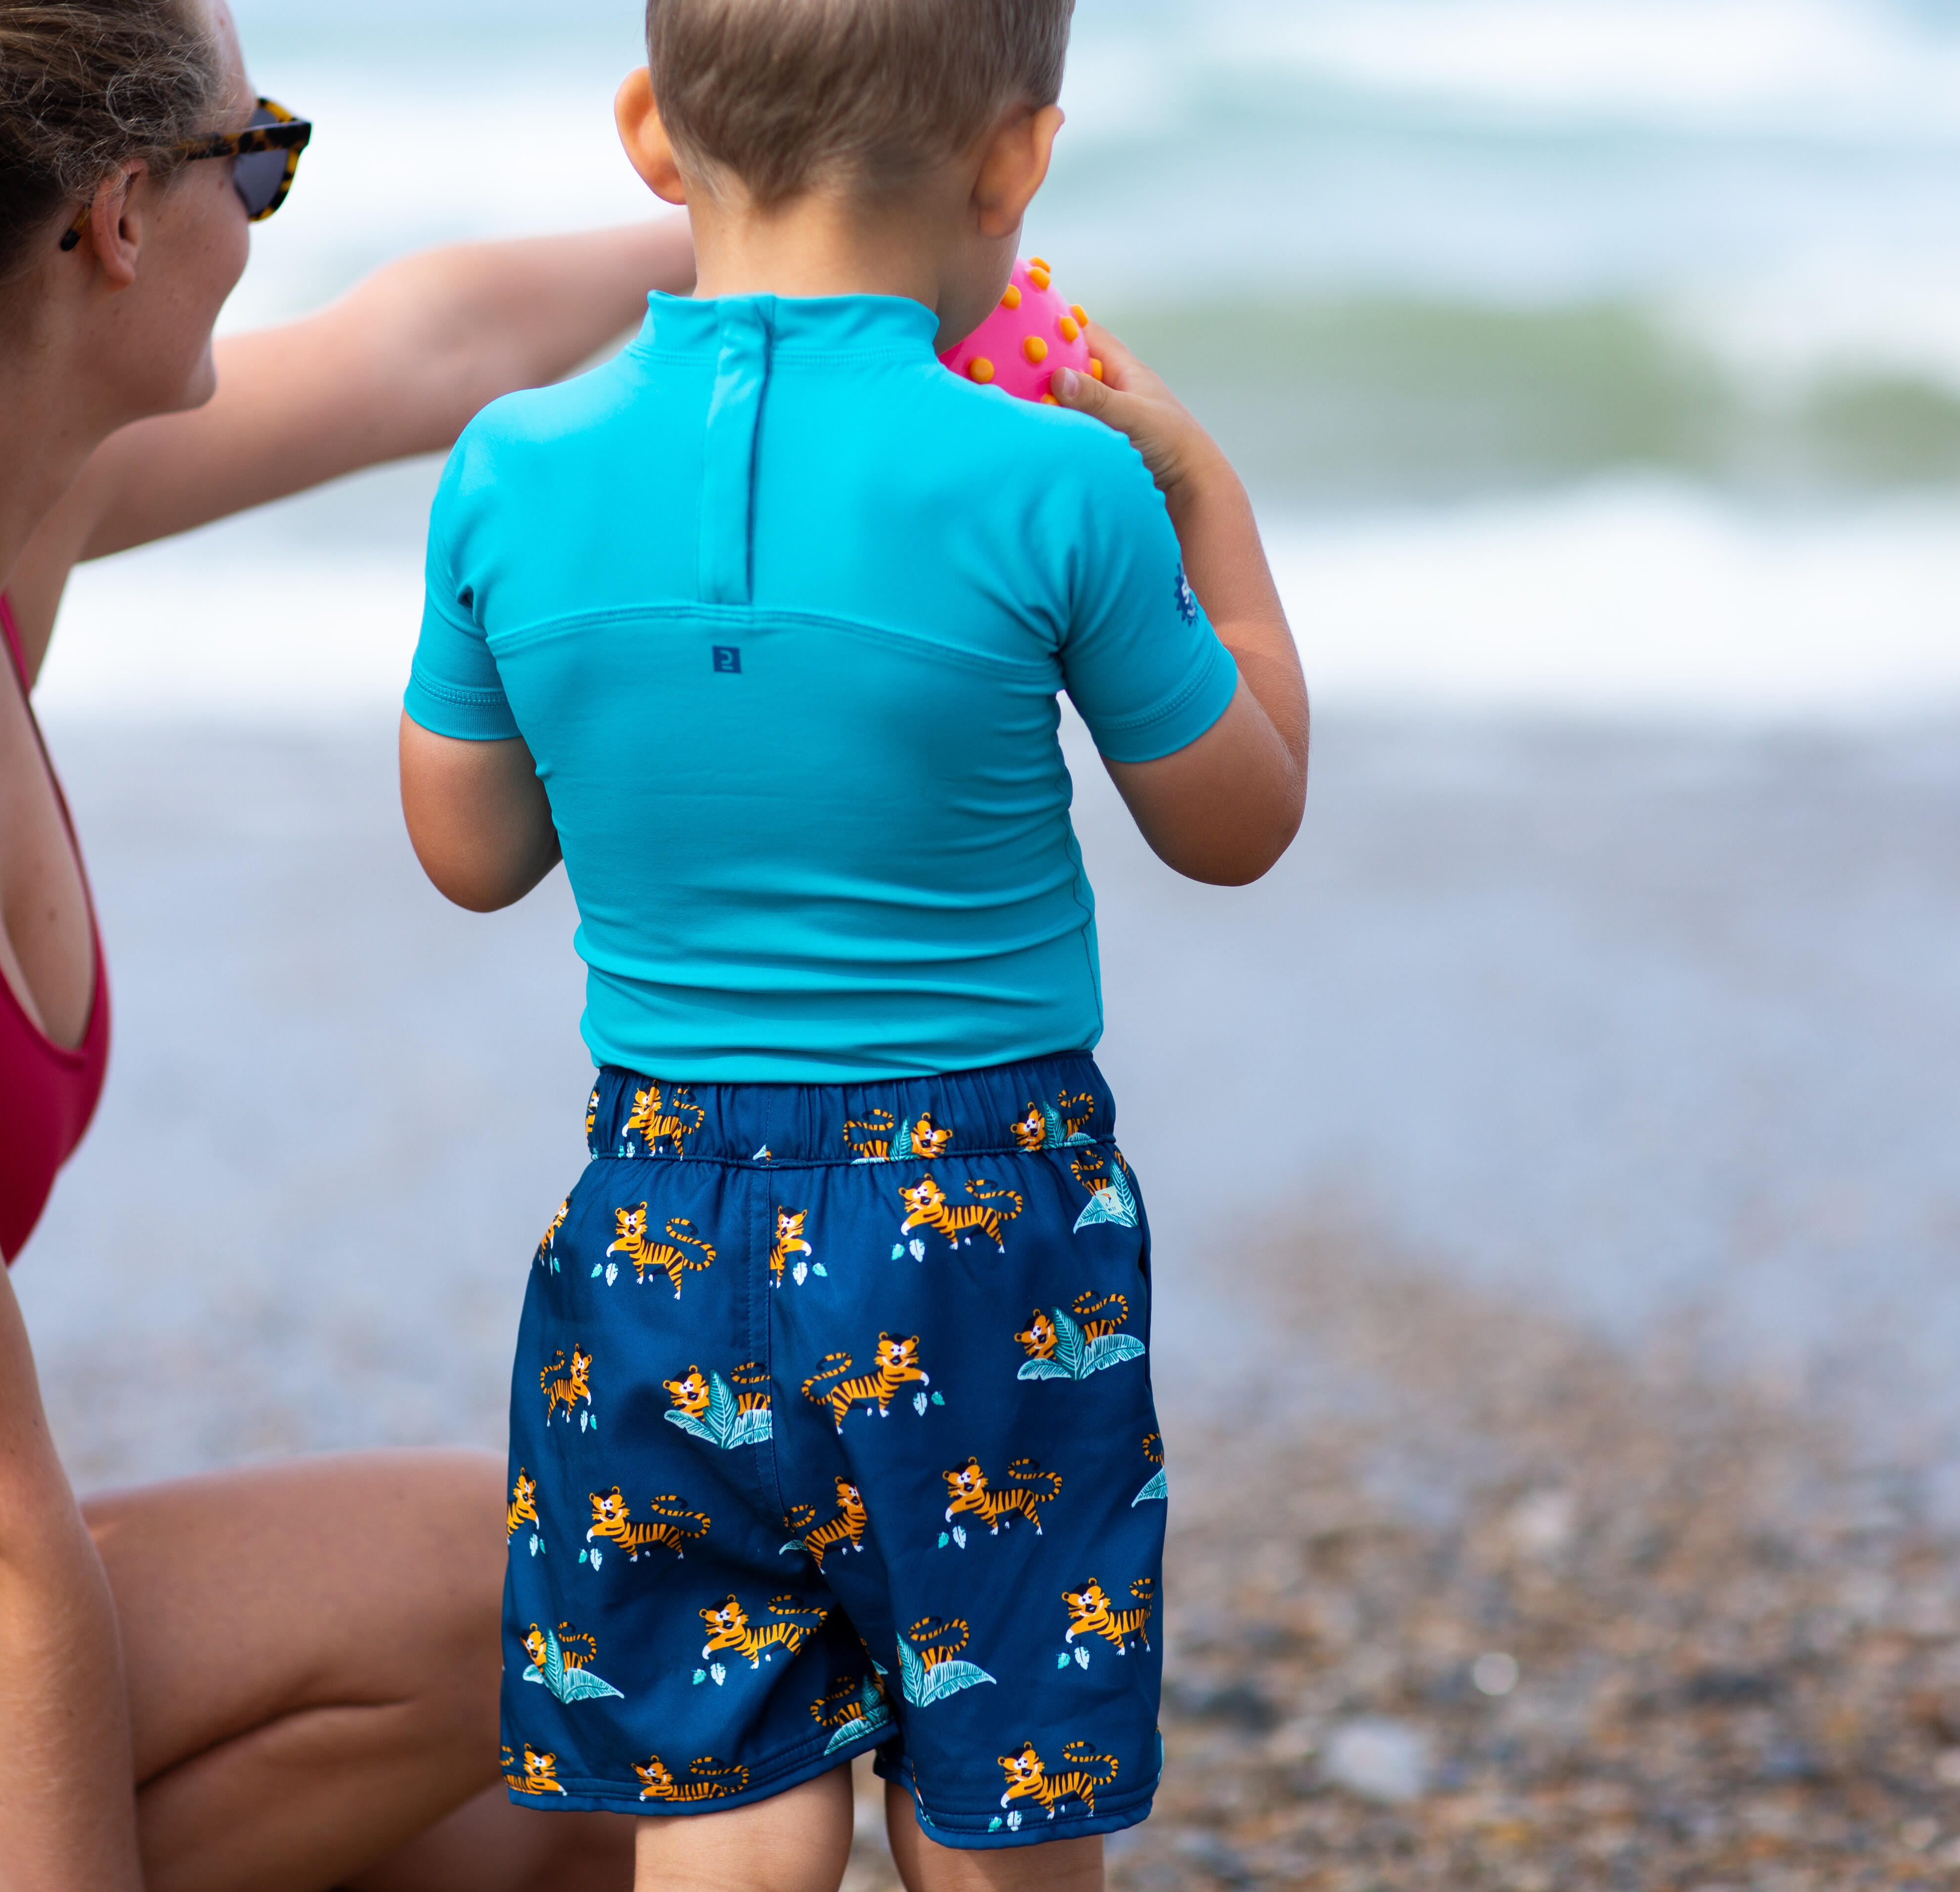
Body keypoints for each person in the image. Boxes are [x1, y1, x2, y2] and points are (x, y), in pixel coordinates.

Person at [0, 0, 692, 1885]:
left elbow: (435, 346)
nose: (265, 213)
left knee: (579, 1790)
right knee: (554, 1570)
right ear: (113, 218)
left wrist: (828, 230)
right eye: (256, 161)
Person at [395, 1, 1310, 1886]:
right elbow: (1244, 820)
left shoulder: (508, 467)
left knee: (721, 1788)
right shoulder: (1053, 483)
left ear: (654, 131)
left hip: (654, 1218)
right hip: (985, 1244)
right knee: (997, 1791)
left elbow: (470, 851)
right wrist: (1202, 499)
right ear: (1012, 161)